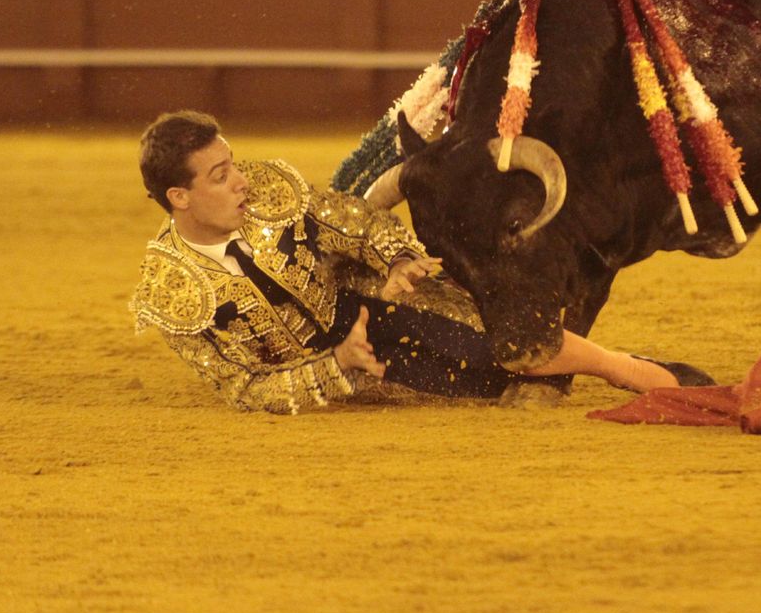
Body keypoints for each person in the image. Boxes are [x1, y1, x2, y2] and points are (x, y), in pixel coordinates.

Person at [131, 112, 709, 413]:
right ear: (179, 198)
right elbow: (245, 388)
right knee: (486, 386)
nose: (240, 181)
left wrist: (397, 257)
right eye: (219, 176)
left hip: (369, 302)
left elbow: (354, 223)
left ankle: (627, 369)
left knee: (492, 343)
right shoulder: (172, 291)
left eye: (231, 164)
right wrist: (336, 366)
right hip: (339, 371)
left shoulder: (269, 190)